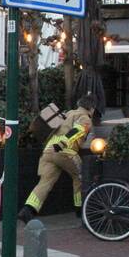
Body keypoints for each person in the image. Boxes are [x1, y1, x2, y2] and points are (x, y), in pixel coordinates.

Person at [18, 95, 95, 223]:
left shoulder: (67, 114)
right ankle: (80, 209)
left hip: (48, 151)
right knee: (80, 176)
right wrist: (62, 143)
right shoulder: (85, 118)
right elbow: (77, 131)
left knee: (45, 182)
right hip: (65, 151)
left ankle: (28, 210)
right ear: (91, 108)